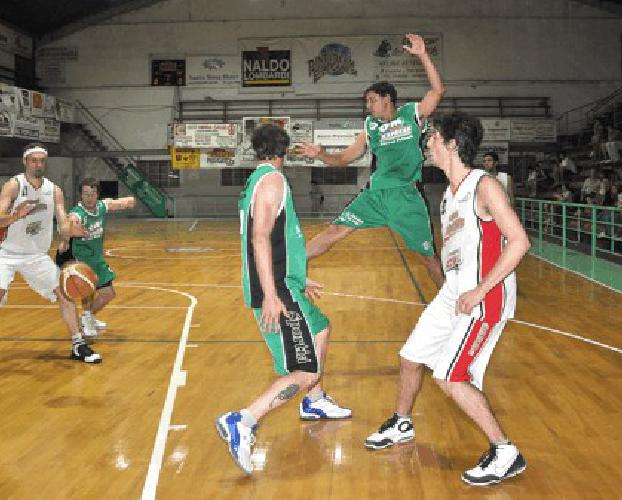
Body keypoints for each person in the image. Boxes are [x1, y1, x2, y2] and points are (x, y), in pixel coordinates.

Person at [363, 112, 530, 486]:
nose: (428, 143)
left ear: (453, 144)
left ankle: (505, 451)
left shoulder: (484, 186)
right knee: (410, 357)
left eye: (434, 137)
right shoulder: (447, 197)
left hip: (485, 295)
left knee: (450, 377)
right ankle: (402, 423)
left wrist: (479, 290)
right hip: (454, 291)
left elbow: (519, 241)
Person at [216, 124, 351, 474]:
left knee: (320, 328)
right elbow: (260, 239)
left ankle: (315, 402)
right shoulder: (273, 182)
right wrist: (274, 295)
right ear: (283, 151)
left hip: (285, 283)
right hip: (276, 291)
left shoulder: (258, 181)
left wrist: (299, 277)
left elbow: (276, 239)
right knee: (305, 370)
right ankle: (243, 421)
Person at [297, 33, 445, 287]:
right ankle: (292, 268)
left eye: (372, 100)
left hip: (406, 197)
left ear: (387, 99)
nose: (369, 106)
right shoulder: (370, 127)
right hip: (375, 194)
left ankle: (451, 302)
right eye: (367, 101)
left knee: (428, 258)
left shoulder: (412, 114)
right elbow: (343, 158)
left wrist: (423, 55)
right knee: (336, 231)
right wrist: (319, 155)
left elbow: (437, 91)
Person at [0, 143, 98, 376]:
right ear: (25, 162)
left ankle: (78, 344)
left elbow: (63, 223)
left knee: (64, 293)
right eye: (34, 160)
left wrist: (72, 229)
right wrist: (16, 214)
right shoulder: (14, 186)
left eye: (42, 160)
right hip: (6, 252)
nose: (38, 164)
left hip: (36, 255)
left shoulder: (54, 190)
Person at [54, 178, 136, 337]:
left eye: (92, 194)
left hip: (96, 257)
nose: (88, 197)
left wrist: (128, 201)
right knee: (87, 290)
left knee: (109, 293)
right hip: (81, 259)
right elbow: (68, 225)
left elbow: (117, 203)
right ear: (80, 195)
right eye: (85, 194)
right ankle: (86, 319)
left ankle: (88, 317)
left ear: (97, 194)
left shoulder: (101, 206)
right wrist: (68, 234)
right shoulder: (77, 213)